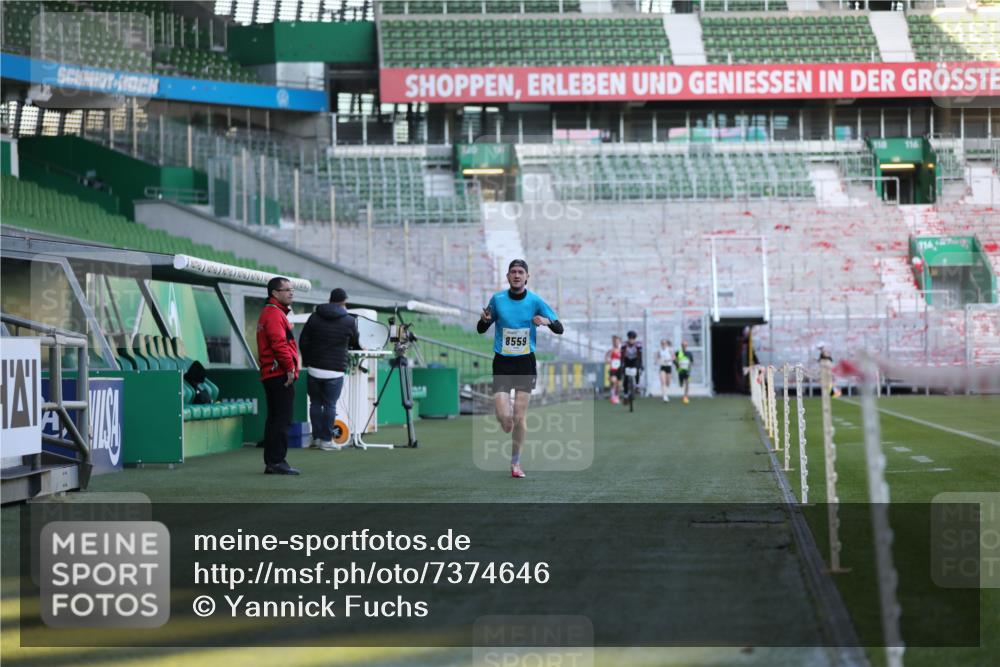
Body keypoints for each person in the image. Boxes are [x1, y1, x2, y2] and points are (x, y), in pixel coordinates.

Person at [478, 259, 563, 478]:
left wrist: (546, 321)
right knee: (505, 418)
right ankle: (505, 418)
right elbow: (481, 327)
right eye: (513, 272)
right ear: (507, 276)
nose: (517, 275)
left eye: (520, 272)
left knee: (519, 416)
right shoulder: (497, 300)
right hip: (503, 362)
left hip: (525, 362)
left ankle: (515, 463)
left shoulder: (535, 301)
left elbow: (559, 328)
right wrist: (485, 321)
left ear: (527, 277)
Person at [299, 287, 361, 451]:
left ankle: (316, 438)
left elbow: (303, 341)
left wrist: (308, 361)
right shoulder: (349, 320)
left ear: (329, 299)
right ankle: (326, 440)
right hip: (335, 370)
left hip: (314, 368)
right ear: (344, 302)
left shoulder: (314, 317)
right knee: (330, 405)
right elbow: (355, 341)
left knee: (315, 403)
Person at [257, 276, 300, 475]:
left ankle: (272, 462)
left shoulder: (272, 312)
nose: (291, 292)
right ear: (275, 293)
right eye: (287, 289)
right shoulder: (273, 313)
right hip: (279, 373)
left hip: (272, 373)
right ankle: (276, 461)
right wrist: (290, 368)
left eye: (292, 289)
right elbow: (279, 344)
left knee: (275, 419)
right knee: (281, 419)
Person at [620, 331, 643, 402]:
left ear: (635, 339)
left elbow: (640, 356)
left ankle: (637, 385)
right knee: (626, 378)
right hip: (627, 360)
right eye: (630, 338)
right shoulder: (624, 344)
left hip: (635, 360)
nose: (631, 340)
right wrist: (622, 365)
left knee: (637, 370)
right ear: (628, 338)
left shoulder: (638, 344)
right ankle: (626, 395)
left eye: (633, 338)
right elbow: (622, 356)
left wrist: (640, 365)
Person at [675, 340, 693, 404]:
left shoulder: (689, 353)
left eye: (685, 345)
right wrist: (677, 365)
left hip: (687, 370)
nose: (684, 346)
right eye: (683, 345)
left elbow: (691, 362)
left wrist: (689, 368)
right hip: (680, 371)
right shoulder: (678, 352)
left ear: (687, 346)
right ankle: (681, 384)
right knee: (681, 385)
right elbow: (674, 360)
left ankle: (686, 396)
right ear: (681, 346)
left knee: (687, 383)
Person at [606, 335, 622, 404]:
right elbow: (607, 357)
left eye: (618, 341)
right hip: (613, 369)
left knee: (619, 384)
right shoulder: (611, 350)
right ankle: (612, 396)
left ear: (620, 342)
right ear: (613, 342)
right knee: (613, 381)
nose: (616, 343)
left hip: (619, 369)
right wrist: (608, 360)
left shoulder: (622, 350)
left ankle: (617, 396)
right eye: (615, 341)